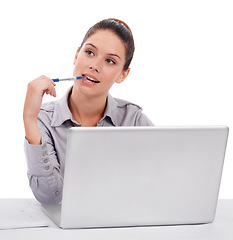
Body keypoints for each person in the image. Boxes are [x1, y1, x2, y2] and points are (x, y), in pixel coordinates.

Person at [23, 18, 154, 204]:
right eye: (90, 52)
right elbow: (50, 198)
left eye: (110, 61)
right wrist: (29, 119)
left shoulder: (133, 120)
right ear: (77, 55)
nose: (94, 66)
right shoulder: (43, 119)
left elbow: (158, 184)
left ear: (123, 74)